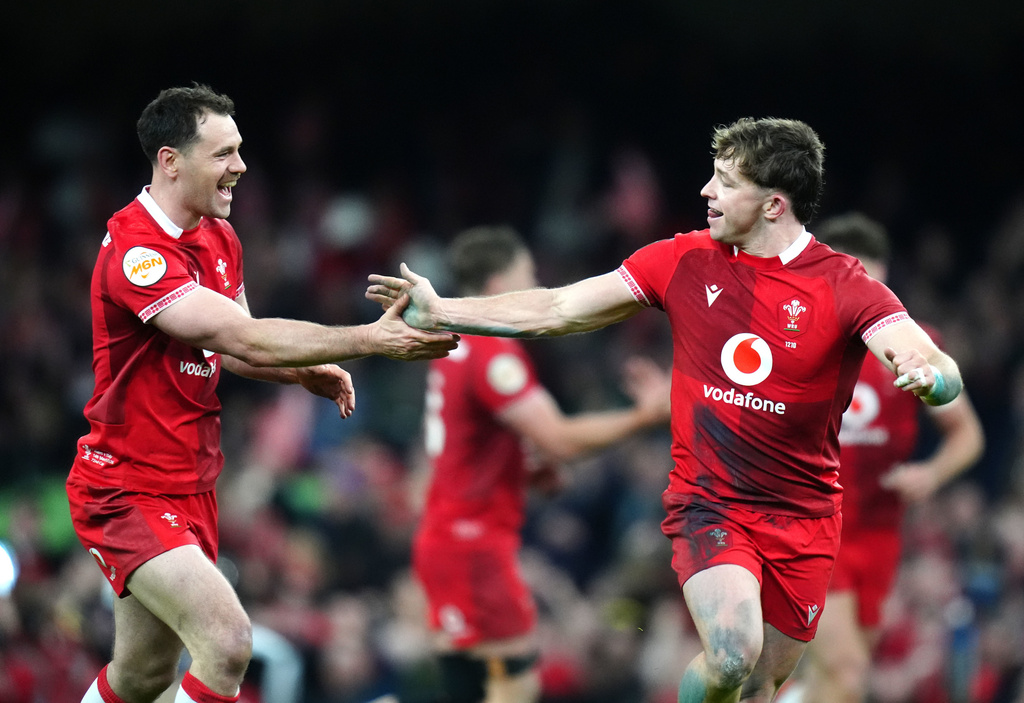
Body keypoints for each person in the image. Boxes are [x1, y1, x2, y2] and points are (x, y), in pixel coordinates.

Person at [366, 116, 966, 703]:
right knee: (732, 654)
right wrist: (443, 310)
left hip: (804, 518)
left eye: (727, 181)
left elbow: (927, 358)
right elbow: (558, 308)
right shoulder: (681, 260)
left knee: (757, 688)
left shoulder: (844, 285)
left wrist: (930, 378)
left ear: (774, 205)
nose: (706, 191)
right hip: (711, 503)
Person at [68, 84, 458, 703]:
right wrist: (368, 340)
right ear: (171, 160)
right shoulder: (137, 250)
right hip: (126, 486)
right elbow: (235, 333)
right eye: (223, 153)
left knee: (140, 678)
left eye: (240, 151)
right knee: (227, 642)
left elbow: (234, 352)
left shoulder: (219, 238)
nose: (241, 167)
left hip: (190, 484)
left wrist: (300, 372)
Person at [412, 225, 672, 703]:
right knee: (516, 684)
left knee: (467, 685)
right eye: (528, 275)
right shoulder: (492, 350)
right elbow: (560, 439)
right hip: (475, 545)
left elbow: (469, 448)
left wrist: (520, 470)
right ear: (497, 285)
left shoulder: (451, 346)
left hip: (448, 537)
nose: (537, 288)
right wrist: (646, 414)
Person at [776, 213, 984, 703]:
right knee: (847, 672)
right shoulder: (800, 343)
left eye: (872, 280)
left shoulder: (914, 347)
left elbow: (967, 434)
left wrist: (932, 474)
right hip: (815, 528)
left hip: (880, 532)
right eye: (852, 279)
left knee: (838, 679)